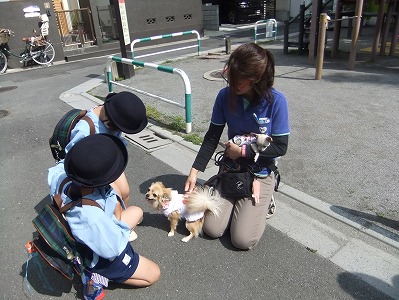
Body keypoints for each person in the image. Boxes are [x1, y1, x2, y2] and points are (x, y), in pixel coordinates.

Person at [184, 43, 290, 250]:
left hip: (260, 172)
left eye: (238, 80)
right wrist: (194, 171)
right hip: (232, 167)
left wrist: (243, 151)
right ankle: (236, 204)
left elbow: (280, 147)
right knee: (212, 229)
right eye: (230, 76)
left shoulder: (276, 101)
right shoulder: (225, 96)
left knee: (241, 240)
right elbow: (212, 136)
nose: (232, 83)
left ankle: (266, 200)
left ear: (255, 79)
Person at [48, 134, 160, 299]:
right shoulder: (91, 217)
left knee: (137, 211)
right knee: (153, 274)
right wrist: (119, 230)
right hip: (99, 255)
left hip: (97, 230)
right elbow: (111, 249)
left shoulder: (61, 174)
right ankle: (95, 277)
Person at [65, 91, 147, 241]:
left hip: (107, 164)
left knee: (125, 192)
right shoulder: (84, 129)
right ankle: (114, 229)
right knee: (113, 200)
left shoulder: (109, 117)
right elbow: (74, 159)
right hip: (93, 173)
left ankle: (122, 220)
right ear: (110, 122)